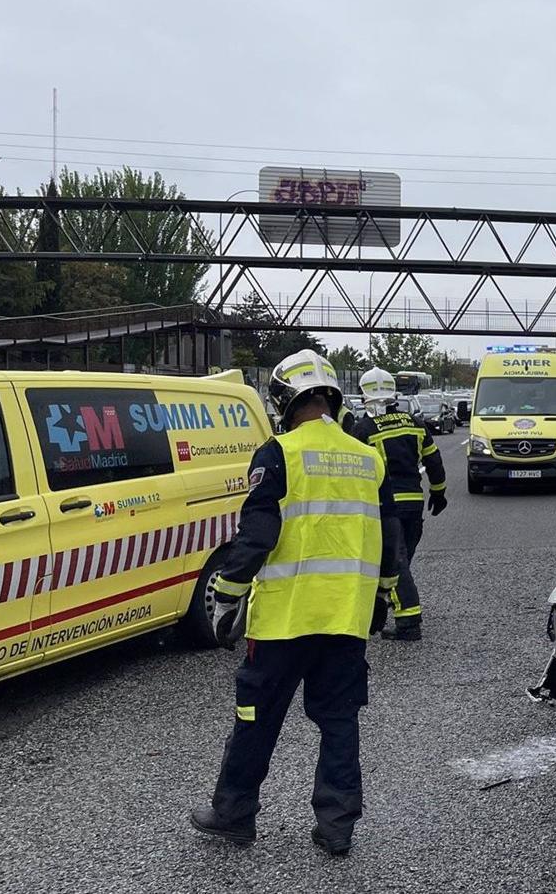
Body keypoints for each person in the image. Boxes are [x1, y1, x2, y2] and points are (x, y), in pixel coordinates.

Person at [190, 349, 401, 857]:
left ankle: (234, 814)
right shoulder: (369, 457)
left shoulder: (278, 453)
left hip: (284, 621)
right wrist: (383, 595)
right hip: (345, 617)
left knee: (254, 717)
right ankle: (336, 826)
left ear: (284, 400)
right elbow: (390, 539)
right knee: (339, 720)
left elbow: (257, 537)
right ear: (332, 398)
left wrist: (226, 599)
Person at [348, 367, 447, 641]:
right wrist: (439, 493)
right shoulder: (415, 423)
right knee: (402, 559)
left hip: (385, 508)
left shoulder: (363, 430)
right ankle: (394, 600)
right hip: (415, 505)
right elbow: (434, 462)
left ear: (363, 394)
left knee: (397, 562)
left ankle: (409, 621)